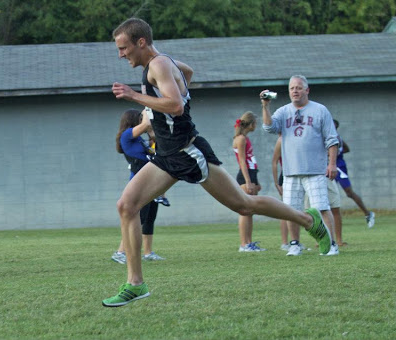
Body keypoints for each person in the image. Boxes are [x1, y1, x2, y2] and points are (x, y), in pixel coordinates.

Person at [103, 18, 332, 307]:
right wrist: (178, 89)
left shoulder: (159, 66)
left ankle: (308, 220)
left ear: (141, 42)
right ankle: (135, 283)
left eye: (123, 48)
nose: (121, 54)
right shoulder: (164, 64)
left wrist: (135, 96)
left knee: (243, 204)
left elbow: (175, 105)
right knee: (126, 205)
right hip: (167, 156)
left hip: (187, 152)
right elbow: (187, 73)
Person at [261, 75, 339, 257]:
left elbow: (332, 139)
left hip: (315, 170)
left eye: (298, 88)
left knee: (322, 207)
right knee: (291, 211)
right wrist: (265, 106)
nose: (295, 91)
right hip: (290, 172)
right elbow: (269, 128)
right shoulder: (283, 111)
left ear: (307, 90)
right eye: (291, 88)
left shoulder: (320, 110)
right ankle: (295, 244)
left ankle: (332, 244)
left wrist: (332, 164)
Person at [111, 108, 165, 264]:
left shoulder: (140, 139)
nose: (143, 120)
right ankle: (120, 252)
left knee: (149, 217)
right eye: (140, 118)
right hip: (139, 181)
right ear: (134, 120)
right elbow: (147, 122)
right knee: (137, 217)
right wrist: (149, 107)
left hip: (150, 180)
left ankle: (148, 253)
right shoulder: (127, 135)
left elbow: (154, 139)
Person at [232, 111, 265, 252]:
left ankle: (249, 243)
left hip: (251, 175)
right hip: (246, 177)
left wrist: (255, 180)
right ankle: (244, 244)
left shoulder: (244, 138)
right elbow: (242, 162)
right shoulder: (241, 139)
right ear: (251, 124)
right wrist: (248, 181)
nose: (256, 126)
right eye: (255, 123)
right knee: (245, 211)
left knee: (250, 211)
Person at [333, 119, 375, 228]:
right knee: (329, 195)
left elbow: (341, 150)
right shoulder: (333, 137)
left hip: (338, 167)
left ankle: (368, 213)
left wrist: (337, 155)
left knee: (349, 192)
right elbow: (347, 149)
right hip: (330, 167)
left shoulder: (335, 138)